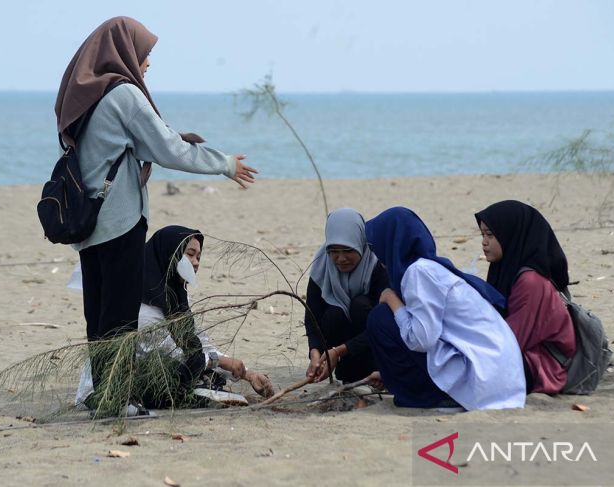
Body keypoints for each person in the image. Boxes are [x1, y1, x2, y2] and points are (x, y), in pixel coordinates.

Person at [55, 17, 258, 393]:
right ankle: (116, 397)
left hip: (89, 224)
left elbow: (129, 145)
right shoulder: (124, 94)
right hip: (119, 222)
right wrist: (224, 164)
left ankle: (105, 393)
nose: (147, 63)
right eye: (145, 54)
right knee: (119, 320)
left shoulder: (85, 96)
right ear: (126, 52)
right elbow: (167, 148)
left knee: (98, 318)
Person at [76, 225, 274, 409]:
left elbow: (197, 342)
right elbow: (171, 355)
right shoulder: (141, 303)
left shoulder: (174, 295)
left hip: (153, 371)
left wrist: (247, 373)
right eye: (190, 255)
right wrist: (218, 362)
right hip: (109, 390)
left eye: (199, 257)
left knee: (202, 378)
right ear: (169, 255)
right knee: (191, 383)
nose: (196, 263)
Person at [363, 207, 526, 410]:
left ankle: (433, 396)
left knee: (381, 318)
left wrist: (391, 299)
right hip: (501, 378)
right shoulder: (430, 268)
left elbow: (421, 339)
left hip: (483, 380)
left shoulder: (418, 272)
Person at [475, 200, 576, 394]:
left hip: (544, 368)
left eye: (490, 235)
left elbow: (512, 339)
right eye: (482, 235)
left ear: (510, 236)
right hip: (522, 353)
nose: (484, 242)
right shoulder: (504, 268)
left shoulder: (530, 281)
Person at [304, 208, 388, 383]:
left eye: (348, 250)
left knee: (360, 305)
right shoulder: (321, 265)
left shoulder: (378, 265)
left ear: (360, 243)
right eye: (334, 251)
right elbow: (312, 318)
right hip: (340, 356)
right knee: (335, 313)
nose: (341, 259)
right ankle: (344, 371)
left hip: (374, 349)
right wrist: (316, 352)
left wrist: (338, 351)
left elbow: (384, 325)